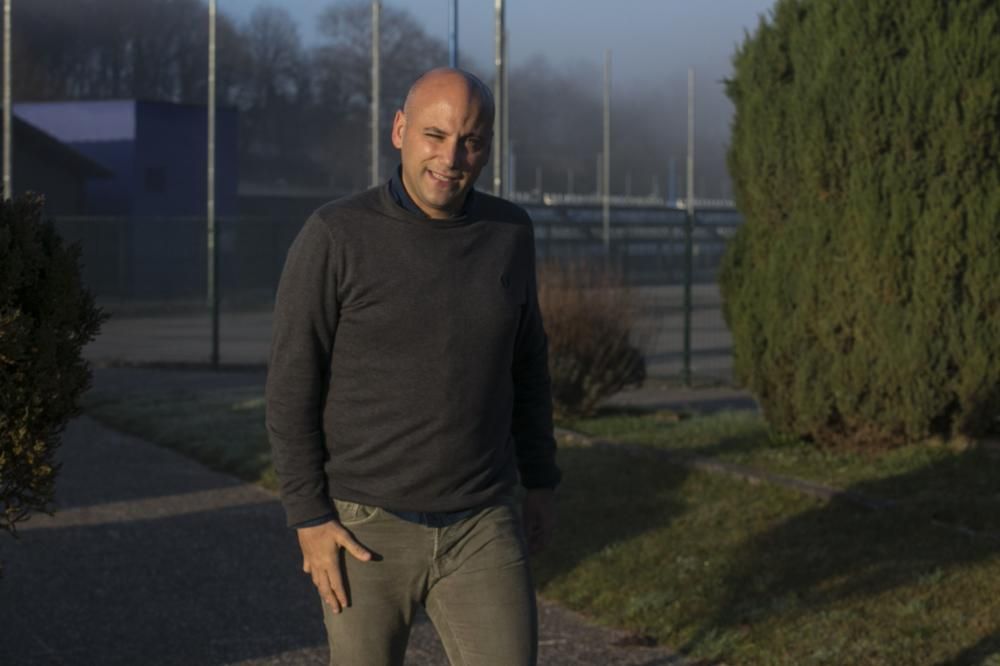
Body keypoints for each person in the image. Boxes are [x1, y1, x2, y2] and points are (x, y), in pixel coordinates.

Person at [265, 67, 561, 666]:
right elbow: (292, 381)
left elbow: (527, 365)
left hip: (482, 522)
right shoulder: (335, 235)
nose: (451, 157)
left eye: (471, 141)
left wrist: (541, 479)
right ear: (400, 130)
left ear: (487, 147)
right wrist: (309, 518)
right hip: (365, 529)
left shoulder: (510, 233)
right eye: (435, 134)